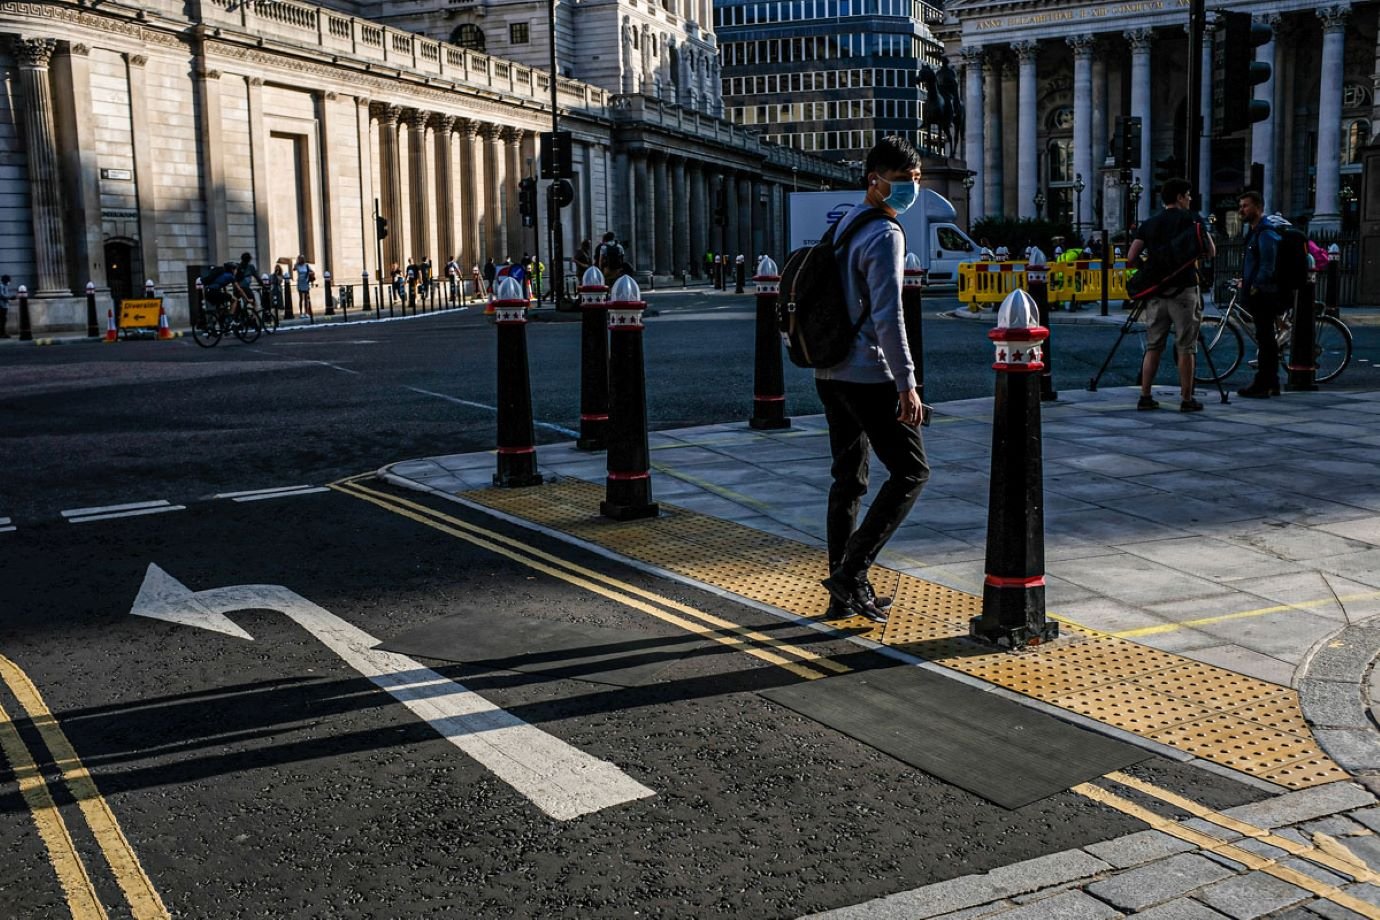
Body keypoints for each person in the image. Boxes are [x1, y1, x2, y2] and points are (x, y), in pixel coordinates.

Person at [816, 135, 929, 624]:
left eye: (917, 181)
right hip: (867, 373)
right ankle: (851, 573)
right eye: (904, 182)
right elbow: (888, 315)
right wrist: (907, 382)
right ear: (875, 181)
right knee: (911, 471)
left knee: (849, 480)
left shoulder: (845, 223)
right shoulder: (885, 233)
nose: (911, 190)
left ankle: (842, 591)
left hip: (830, 369)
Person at [1126, 177, 1215, 412]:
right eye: (1188, 195)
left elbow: (1131, 258)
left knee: (1153, 345)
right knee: (1186, 346)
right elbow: (1211, 251)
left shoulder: (1150, 223)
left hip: (1156, 292)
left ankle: (1145, 395)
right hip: (1184, 291)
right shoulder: (1192, 219)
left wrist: (1149, 270)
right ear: (1179, 197)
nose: (1190, 199)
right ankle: (1187, 399)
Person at [1237, 190, 1286, 398]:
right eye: (1240, 206)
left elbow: (1267, 264)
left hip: (1265, 294)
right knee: (1267, 339)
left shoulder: (1265, 232)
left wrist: (1255, 286)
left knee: (1265, 339)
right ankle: (1272, 382)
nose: (1241, 210)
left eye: (1246, 206)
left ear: (1258, 208)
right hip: (1260, 291)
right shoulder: (1255, 232)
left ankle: (1262, 384)